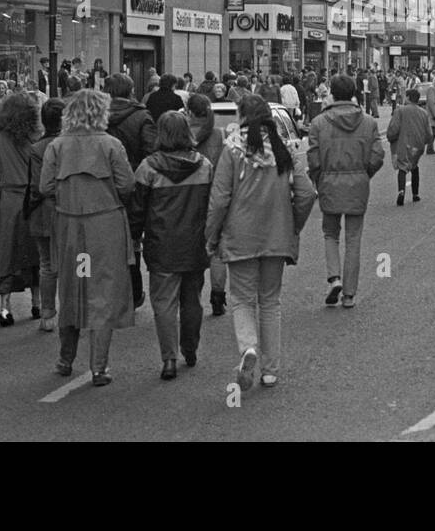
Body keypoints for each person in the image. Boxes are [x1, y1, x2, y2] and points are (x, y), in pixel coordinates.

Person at [205, 95, 316, 389]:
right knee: (270, 302)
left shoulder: (232, 149)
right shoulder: (283, 150)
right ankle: (270, 370)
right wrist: (293, 224)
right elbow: (306, 193)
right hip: (276, 235)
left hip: (240, 235)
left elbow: (219, 200)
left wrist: (211, 235)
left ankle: (248, 348)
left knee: (242, 299)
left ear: (241, 116)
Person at [39, 89, 136, 385]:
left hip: (69, 224)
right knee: (102, 291)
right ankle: (99, 367)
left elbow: (44, 187)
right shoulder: (111, 144)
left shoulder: (57, 146)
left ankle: (65, 359)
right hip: (105, 224)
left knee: (72, 287)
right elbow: (127, 184)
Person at [129, 112, 213, 381]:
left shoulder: (148, 168)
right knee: (192, 300)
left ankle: (169, 358)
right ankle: (190, 347)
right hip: (195, 243)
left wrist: (133, 239)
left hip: (161, 244)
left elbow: (137, 211)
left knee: (164, 303)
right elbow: (212, 206)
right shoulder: (204, 165)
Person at [308, 75, 385, 309]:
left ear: (332, 93)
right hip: (358, 183)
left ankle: (334, 278)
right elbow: (378, 155)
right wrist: (364, 173)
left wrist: (319, 179)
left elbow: (313, 159)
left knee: (330, 233)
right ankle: (349, 294)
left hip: (329, 182)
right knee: (354, 239)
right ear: (353, 93)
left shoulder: (319, 123)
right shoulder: (369, 122)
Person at [0, 93, 41, 325]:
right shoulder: (34, 141)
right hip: (29, 201)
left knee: (4, 255)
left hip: (3, 201)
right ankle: (37, 302)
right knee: (34, 255)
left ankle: (5, 308)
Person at [105, 73, 156, 308]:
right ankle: (134, 291)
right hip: (134, 184)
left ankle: (95, 288)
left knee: (98, 242)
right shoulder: (141, 116)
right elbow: (151, 152)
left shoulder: (97, 117)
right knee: (133, 238)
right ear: (131, 90)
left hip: (102, 185)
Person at [185, 93, 228, 316]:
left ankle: (192, 297)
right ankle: (218, 295)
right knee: (217, 248)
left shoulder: (179, 133)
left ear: (189, 111)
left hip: (186, 198)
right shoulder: (219, 135)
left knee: (193, 249)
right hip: (213, 196)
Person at [27, 99, 64, 333]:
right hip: (70, 211)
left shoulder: (36, 148)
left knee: (47, 264)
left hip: (43, 212)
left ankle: (48, 313)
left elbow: (37, 185)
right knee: (80, 260)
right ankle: (78, 308)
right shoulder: (71, 144)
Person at [387, 88, 430, 205]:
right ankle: (415, 194)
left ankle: (401, 191)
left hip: (404, 144)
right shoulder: (424, 113)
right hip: (418, 145)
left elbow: (393, 129)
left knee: (403, 167)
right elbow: (429, 134)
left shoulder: (400, 111)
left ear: (409, 98)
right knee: (414, 166)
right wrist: (423, 142)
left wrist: (390, 138)